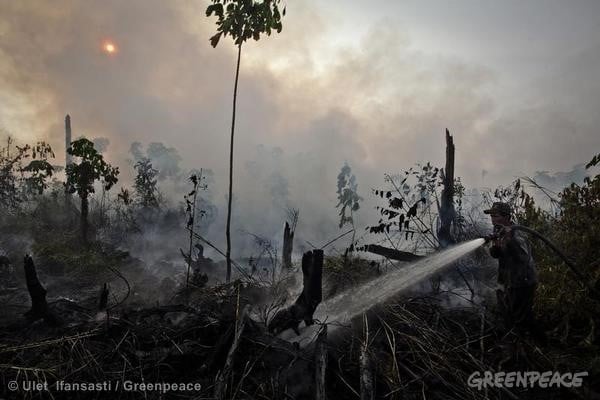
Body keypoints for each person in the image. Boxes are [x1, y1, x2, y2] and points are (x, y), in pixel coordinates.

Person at [484, 202, 545, 342]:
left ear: (507, 217)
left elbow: (523, 258)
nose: (492, 219)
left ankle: (530, 346)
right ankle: (534, 342)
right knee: (513, 315)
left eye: (496, 215)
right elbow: (497, 254)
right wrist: (496, 248)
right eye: (491, 216)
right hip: (510, 280)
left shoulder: (518, 233)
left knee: (521, 318)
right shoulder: (498, 230)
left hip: (523, 282)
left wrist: (510, 240)